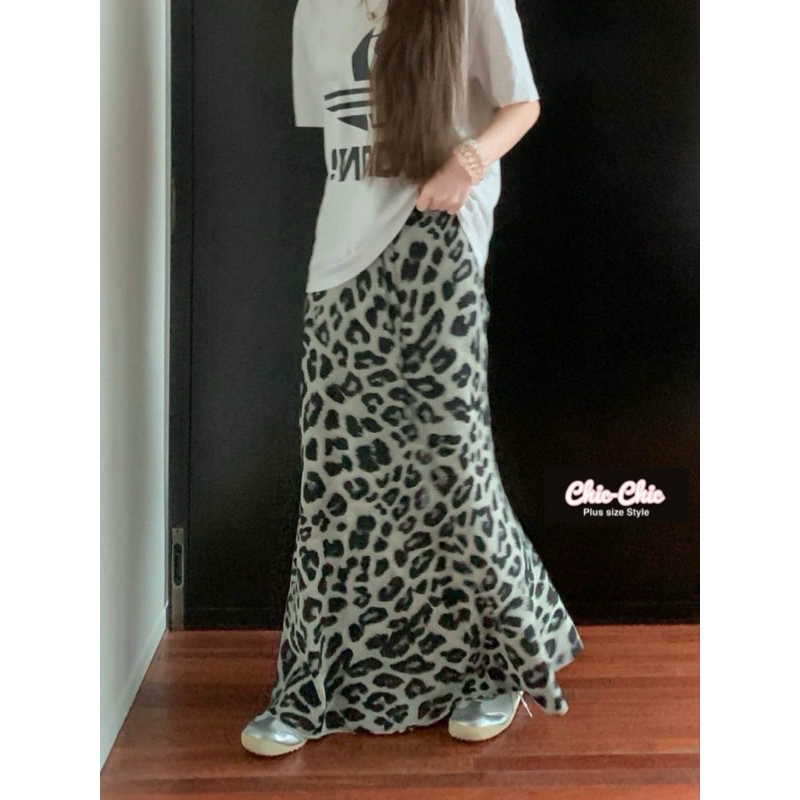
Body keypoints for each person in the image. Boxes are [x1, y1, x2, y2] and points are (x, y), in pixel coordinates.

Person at [241, 0, 585, 757]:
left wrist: (466, 164)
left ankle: (497, 665)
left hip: (439, 247)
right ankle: (309, 687)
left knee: (454, 468)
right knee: (338, 480)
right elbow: (343, 146)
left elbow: (522, 104)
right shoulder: (317, 11)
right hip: (340, 263)